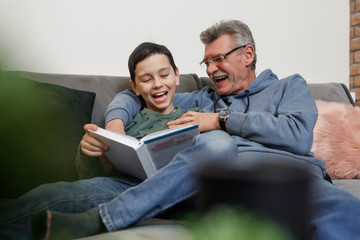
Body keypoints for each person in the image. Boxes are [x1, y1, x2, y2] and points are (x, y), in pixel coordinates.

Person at [92, 19, 360, 239]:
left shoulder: (288, 87)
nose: (210, 69)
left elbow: (298, 136)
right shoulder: (203, 98)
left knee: (347, 214)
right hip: (222, 186)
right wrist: (115, 123)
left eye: (218, 58)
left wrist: (221, 120)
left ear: (248, 54)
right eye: (206, 62)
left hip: (285, 179)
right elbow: (138, 96)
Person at [0, 42, 212, 239]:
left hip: (173, 190)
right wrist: (86, 152)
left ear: (176, 76)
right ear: (135, 87)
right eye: (146, 80)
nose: (157, 84)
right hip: (121, 186)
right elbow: (89, 177)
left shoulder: (197, 116)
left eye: (164, 75)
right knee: (50, 195)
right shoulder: (126, 123)